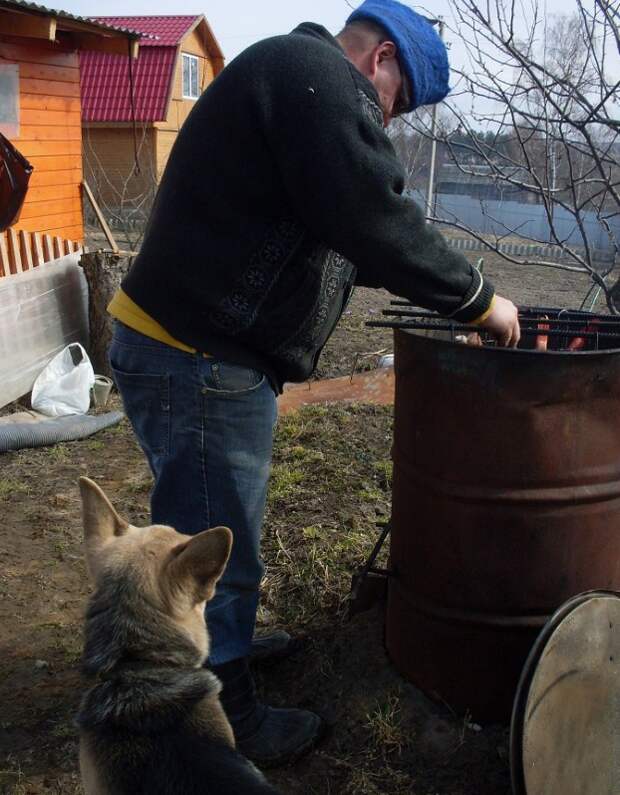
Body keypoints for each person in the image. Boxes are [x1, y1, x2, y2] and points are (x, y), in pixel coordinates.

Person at [107, 0, 520, 768]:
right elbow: (373, 215)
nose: (388, 125)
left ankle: (224, 642)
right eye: (398, 105)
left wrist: (433, 282)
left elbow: (351, 234)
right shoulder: (315, 81)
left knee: (220, 529)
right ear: (383, 61)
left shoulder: (291, 83)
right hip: (197, 354)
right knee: (213, 542)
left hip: (193, 346)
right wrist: (479, 298)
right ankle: (219, 718)